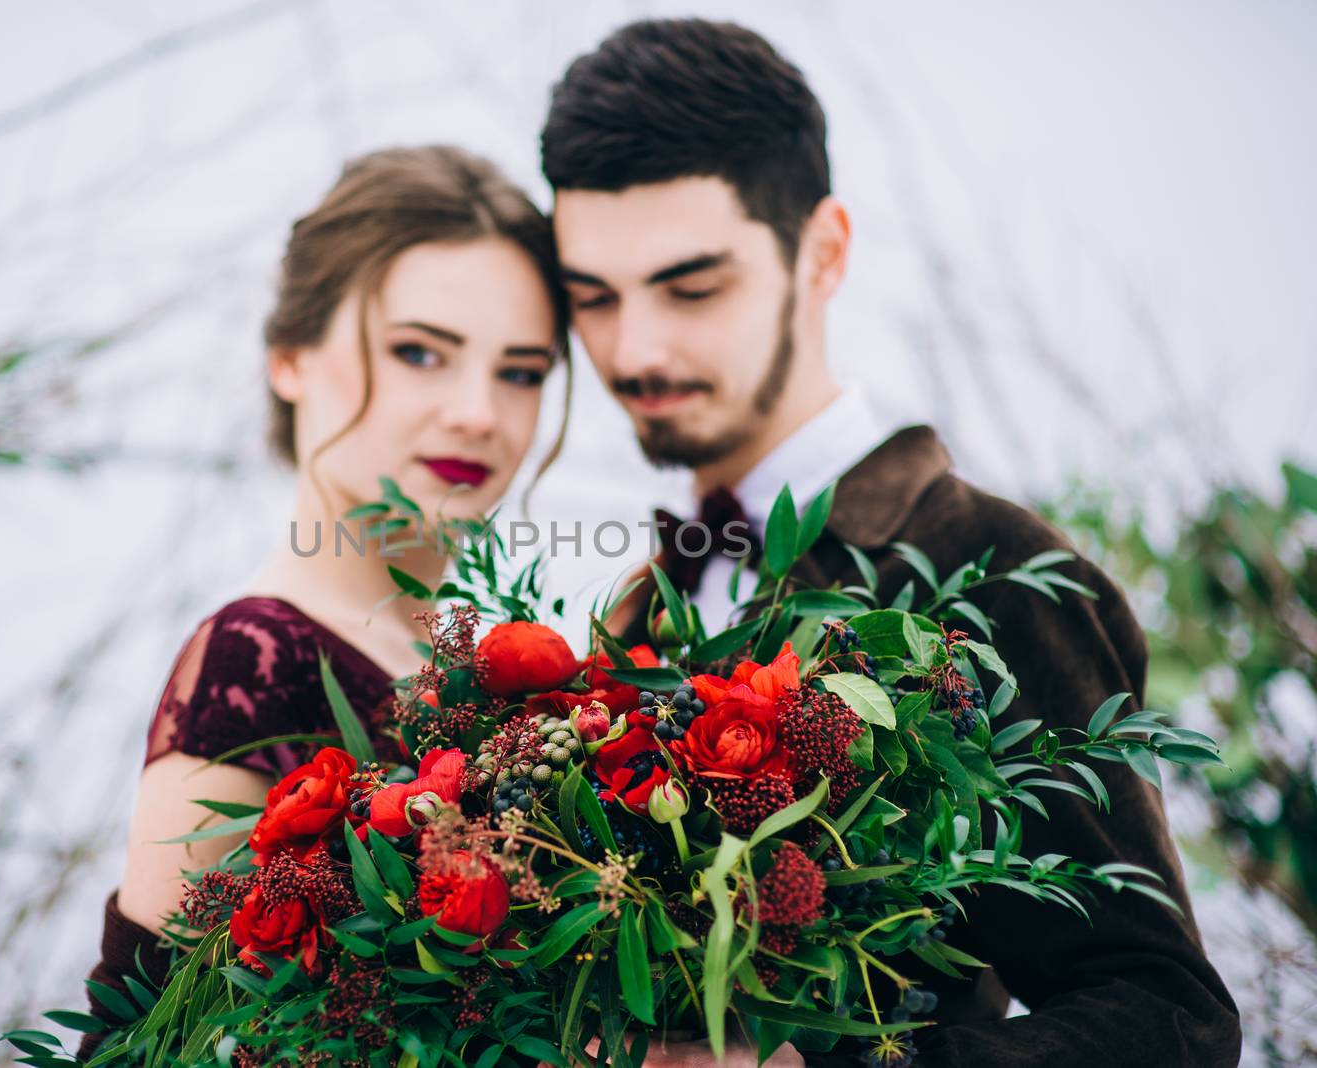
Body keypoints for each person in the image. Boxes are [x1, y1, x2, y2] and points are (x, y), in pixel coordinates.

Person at [541, 17, 1240, 1068]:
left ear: (821, 253)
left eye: (692, 288)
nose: (633, 349)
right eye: (593, 297)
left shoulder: (984, 567)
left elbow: (1167, 1018)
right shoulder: (639, 597)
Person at [75, 144, 571, 1060]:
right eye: (421, 352)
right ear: (291, 358)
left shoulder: (500, 675)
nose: (477, 411)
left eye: (522, 371)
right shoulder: (253, 663)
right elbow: (135, 1046)